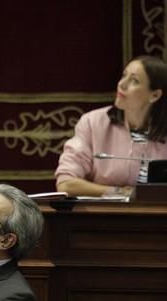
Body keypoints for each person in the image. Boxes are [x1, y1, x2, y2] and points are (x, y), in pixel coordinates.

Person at [55, 55, 167, 197]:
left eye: (135, 81)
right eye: (124, 75)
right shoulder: (92, 123)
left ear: (155, 95)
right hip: (105, 216)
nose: (122, 84)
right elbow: (66, 183)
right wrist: (119, 192)